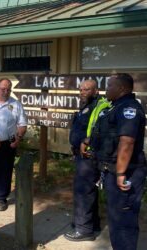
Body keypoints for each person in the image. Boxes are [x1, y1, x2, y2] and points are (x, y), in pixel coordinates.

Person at [85, 73, 147, 250]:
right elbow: (109, 134)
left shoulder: (129, 108)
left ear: (121, 88)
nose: (106, 89)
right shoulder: (115, 107)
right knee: (115, 218)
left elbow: (127, 142)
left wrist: (120, 173)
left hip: (127, 172)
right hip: (112, 170)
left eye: (110, 86)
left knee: (123, 221)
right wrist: (89, 141)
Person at [64, 79, 106, 241]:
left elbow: (100, 130)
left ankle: (84, 230)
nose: (82, 92)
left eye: (86, 90)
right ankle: (92, 224)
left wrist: (86, 142)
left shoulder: (99, 107)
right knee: (89, 191)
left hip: (89, 156)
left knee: (83, 191)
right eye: (81, 89)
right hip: (81, 155)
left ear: (96, 91)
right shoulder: (86, 105)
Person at [0, 78, 27, 211]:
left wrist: (19, 138)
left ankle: (1, 198)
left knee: (5, 171)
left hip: (7, 144)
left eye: (8, 89)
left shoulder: (16, 104)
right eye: (3, 88)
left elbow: (22, 124)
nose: (5, 91)